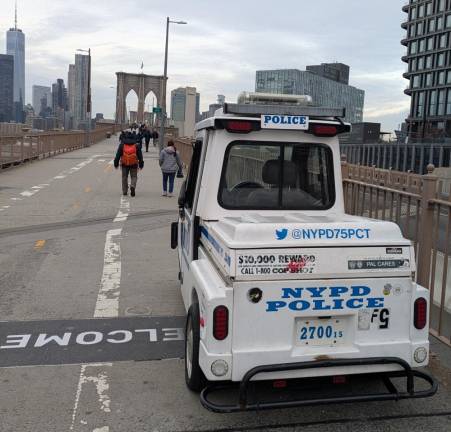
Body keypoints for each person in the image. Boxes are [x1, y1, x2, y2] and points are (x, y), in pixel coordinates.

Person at [114, 132, 144, 197]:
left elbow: (118, 155)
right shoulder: (136, 145)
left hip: (124, 164)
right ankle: (132, 186)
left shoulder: (122, 145)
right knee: (134, 176)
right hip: (134, 164)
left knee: (124, 177)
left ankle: (125, 191)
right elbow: (140, 157)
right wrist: (141, 164)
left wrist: (115, 164)